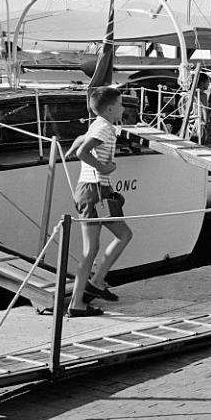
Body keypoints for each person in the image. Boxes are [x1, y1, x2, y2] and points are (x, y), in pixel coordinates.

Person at [69, 87, 133, 317]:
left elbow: (80, 141)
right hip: (93, 190)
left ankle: (95, 283)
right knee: (92, 249)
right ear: (109, 108)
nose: (123, 108)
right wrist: (104, 167)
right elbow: (83, 151)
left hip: (95, 190)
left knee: (122, 235)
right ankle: (78, 302)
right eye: (121, 104)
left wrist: (71, 148)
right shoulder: (105, 127)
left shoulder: (98, 124)